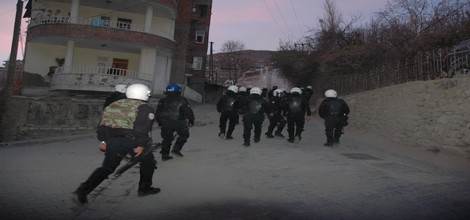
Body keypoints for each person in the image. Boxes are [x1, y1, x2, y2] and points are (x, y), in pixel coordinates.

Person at [73, 83, 159, 205]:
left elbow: (103, 124)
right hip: (133, 141)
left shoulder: (113, 105)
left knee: (107, 167)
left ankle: (83, 190)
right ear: (144, 94)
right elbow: (142, 128)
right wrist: (140, 145)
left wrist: (103, 140)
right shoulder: (144, 108)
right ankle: (144, 189)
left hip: (112, 140)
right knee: (148, 163)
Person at [155, 82, 195, 160]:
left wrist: (160, 122)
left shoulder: (162, 100)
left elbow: (158, 113)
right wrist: (191, 120)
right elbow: (188, 111)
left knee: (166, 139)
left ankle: (165, 155)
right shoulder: (182, 100)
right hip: (180, 122)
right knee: (184, 135)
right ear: (179, 90)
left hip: (166, 122)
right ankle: (176, 149)